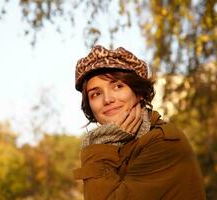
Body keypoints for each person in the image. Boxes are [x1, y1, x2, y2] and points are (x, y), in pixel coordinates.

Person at [73, 45, 206, 200]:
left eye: (118, 86)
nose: (108, 99)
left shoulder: (161, 142)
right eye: (96, 94)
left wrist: (102, 144)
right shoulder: (117, 145)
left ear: (139, 93)